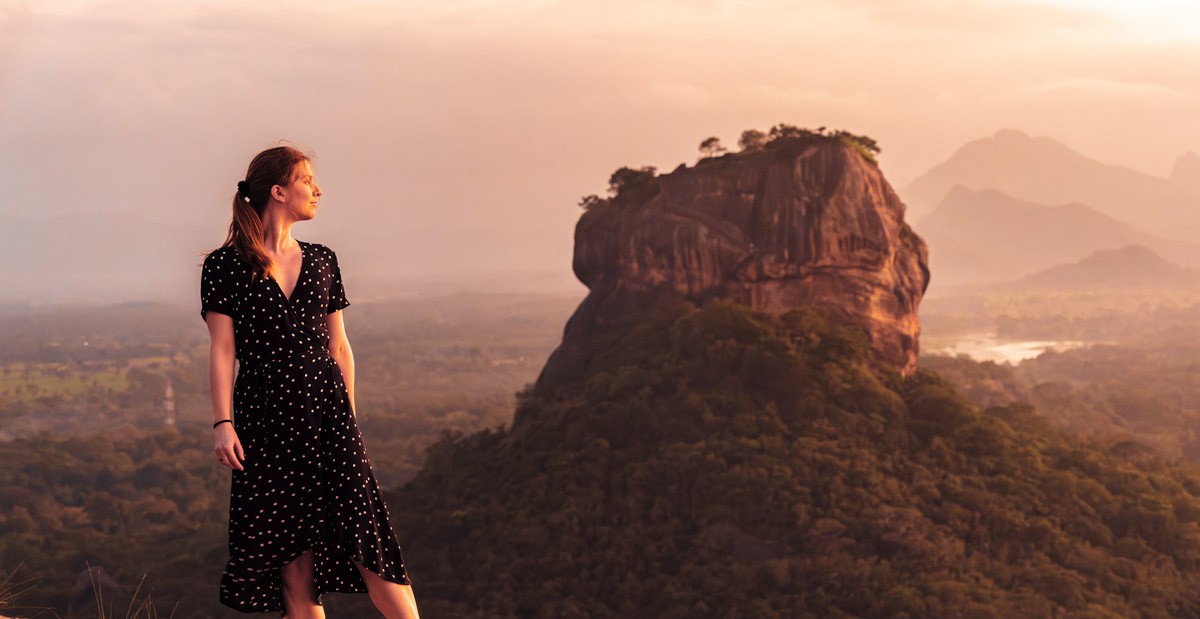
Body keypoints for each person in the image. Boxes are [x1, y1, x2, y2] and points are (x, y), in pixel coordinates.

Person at [200, 145, 420, 619]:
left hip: (329, 417)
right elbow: (222, 348)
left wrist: (350, 419)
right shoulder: (224, 266)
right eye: (307, 181)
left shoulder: (323, 260)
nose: (318, 190)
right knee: (294, 564)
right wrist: (223, 421)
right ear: (278, 192)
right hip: (265, 421)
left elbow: (339, 347)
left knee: (371, 544)